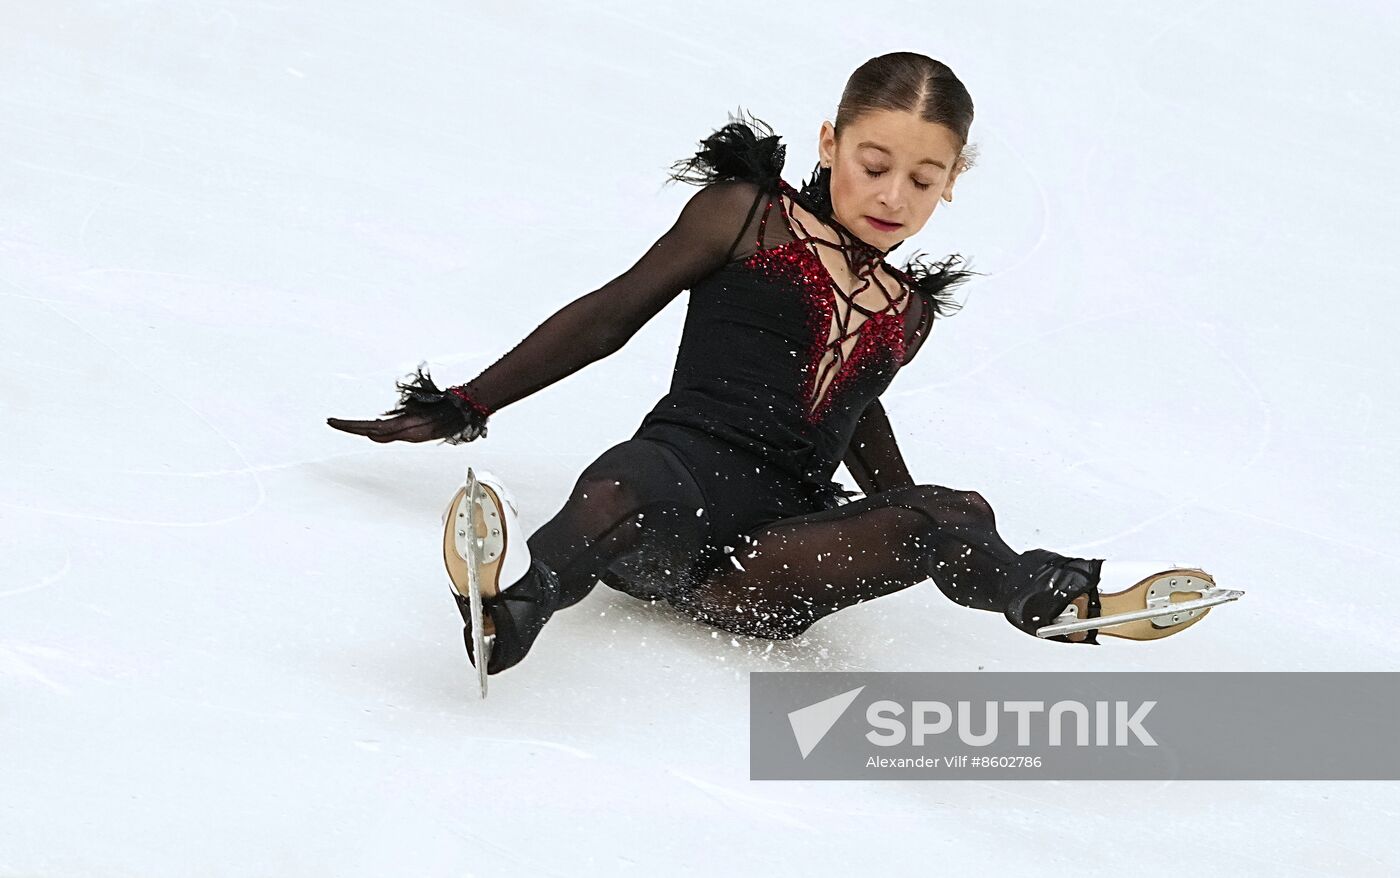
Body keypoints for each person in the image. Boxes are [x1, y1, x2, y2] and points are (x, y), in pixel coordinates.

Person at [328, 52, 1230, 677]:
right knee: (625, 475)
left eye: (923, 180)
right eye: (874, 164)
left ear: (953, 181)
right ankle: (516, 609)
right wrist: (464, 403)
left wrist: (922, 520)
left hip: (768, 569)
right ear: (830, 143)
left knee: (958, 510)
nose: (893, 195)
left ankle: (1046, 597)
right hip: (665, 508)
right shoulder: (746, 218)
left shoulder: (907, 311)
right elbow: (610, 314)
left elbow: (855, 414)